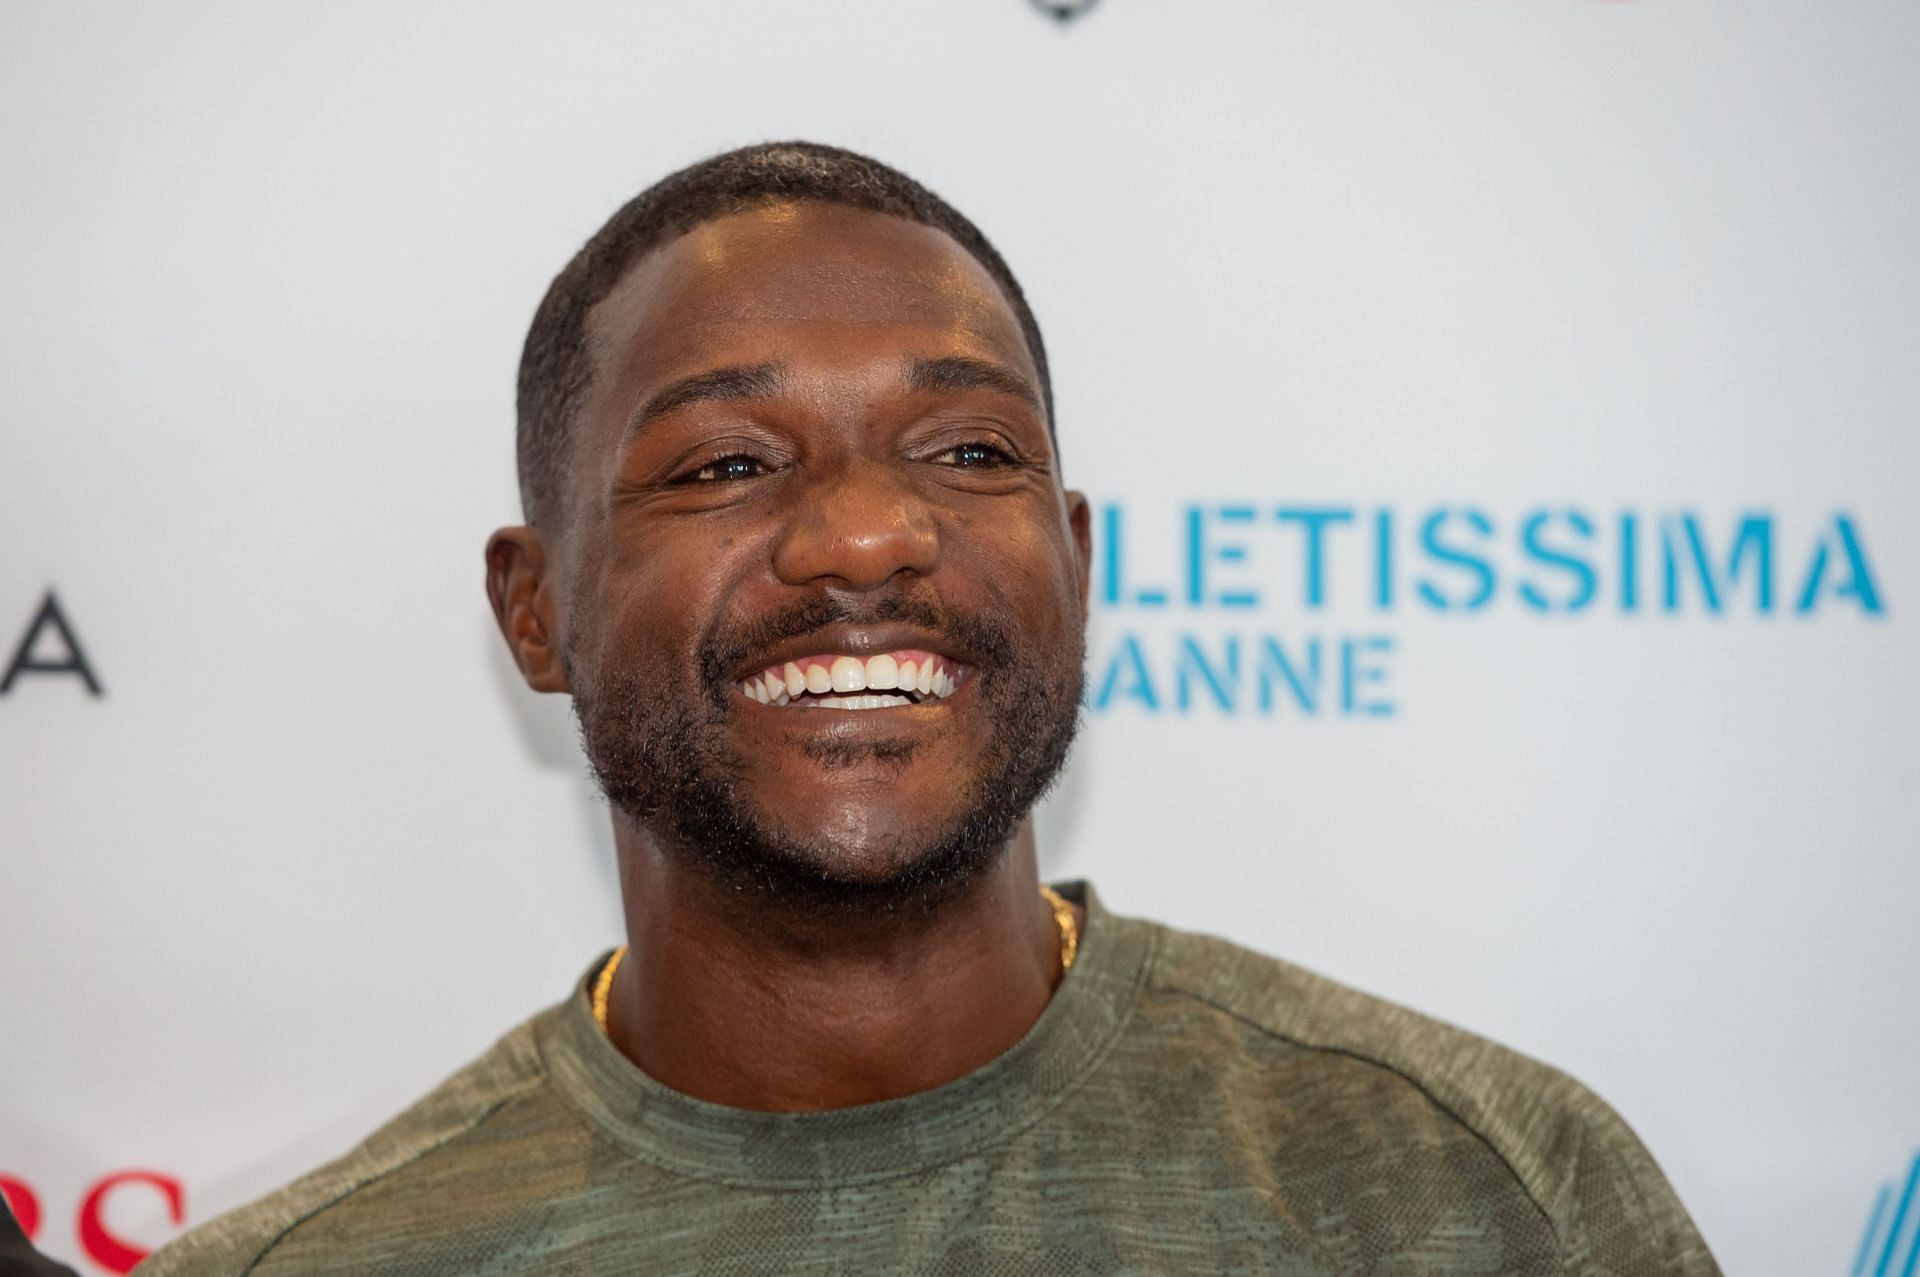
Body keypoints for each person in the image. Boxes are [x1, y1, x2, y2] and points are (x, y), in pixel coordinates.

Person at [139, 141, 1719, 1275]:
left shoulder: (1474, 1189)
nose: (868, 537)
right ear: (533, 607)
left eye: (968, 453)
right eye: (727, 464)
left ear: (1076, 560)